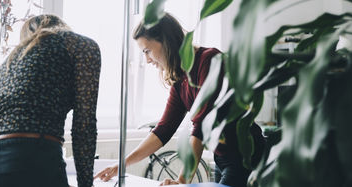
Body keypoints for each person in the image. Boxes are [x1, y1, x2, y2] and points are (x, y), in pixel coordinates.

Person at [94, 13, 264, 187]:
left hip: (247, 156)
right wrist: (121, 165)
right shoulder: (180, 79)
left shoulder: (209, 60)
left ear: (165, 41)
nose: (147, 59)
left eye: (147, 51)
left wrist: (182, 181)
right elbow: (163, 130)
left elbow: (202, 125)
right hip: (222, 158)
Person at [0, 14, 101, 187]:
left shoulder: (10, 60)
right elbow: (84, 125)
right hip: (31, 157)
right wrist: (86, 184)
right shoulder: (80, 45)